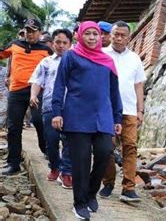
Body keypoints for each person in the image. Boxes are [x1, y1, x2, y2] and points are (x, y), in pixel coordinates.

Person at [51, 21, 122, 219]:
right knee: (80, 161)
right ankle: (79, 202)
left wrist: (117, 117)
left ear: (101, 37)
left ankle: (91, 193)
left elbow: (114, 92)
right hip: (77, 116)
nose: (92, 37)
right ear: (80, 36)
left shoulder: (107, 60)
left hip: (103, 116)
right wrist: (57, 111)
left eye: (95, 34)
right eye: (88, 34)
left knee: (104, 152)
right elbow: (59, 85)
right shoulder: (71, 57)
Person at [100, 21, 145, 202]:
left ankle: (128, 188)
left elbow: (139, 85)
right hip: (106, 110)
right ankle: (108, 183)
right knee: (106, 147)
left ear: (129, 37)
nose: (119, 38)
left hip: (129, 110)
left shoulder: (135, 58)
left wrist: (140, 110)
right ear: (110, 35)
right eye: (115, 34)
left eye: (122, 35)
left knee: (130, 147)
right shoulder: (102, 55)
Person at [0, 18, 52, 175]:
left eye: (33, 31)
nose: (30, 34)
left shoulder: (46, 50)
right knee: (14, 127)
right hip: (16, 91)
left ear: (40, 33)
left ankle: (48, 151)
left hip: (36, 91)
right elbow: (2, 54)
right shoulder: (15, 45)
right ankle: (13, 163)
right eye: (28, 31)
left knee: (38, 121)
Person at [29, 28, 73, 189]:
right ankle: (55, 167)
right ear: (52, 44)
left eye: (64, 43)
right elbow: (37, 80)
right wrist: (33, 95)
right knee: (52, 140)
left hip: (71, 106)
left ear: (70, 44)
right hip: (49, 106)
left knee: (69, 140)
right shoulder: (46, 62)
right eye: (58, 42)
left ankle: (67, 172)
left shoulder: (75, 61)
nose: (61, 46)